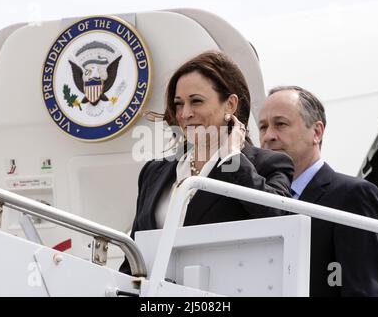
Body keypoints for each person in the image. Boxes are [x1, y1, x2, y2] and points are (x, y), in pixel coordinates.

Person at [119, 51, 294, 275]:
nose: (185, 113)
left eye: (196, 101)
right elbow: (133, 259)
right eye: (178, 104)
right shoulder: (154, 171)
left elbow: (281, 221)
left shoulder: (268, 164)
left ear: (230, 105)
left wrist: (232, 159)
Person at [258, 85, 378, 296]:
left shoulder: (354, 196)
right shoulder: (257, 200)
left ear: (317, 132)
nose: (268, 136)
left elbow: (365, 291)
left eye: (280, 124)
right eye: (263, 127)